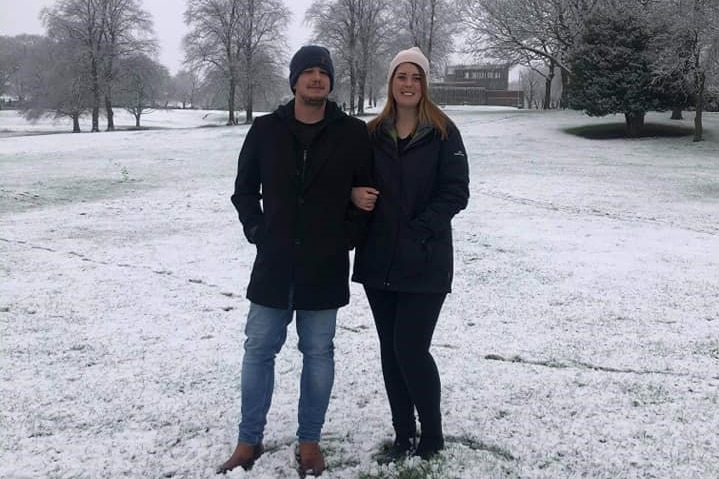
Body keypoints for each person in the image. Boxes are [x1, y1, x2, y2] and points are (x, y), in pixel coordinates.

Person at [217, 45, 372, 476]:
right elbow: (244, 191)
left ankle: (310, 442)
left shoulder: (351, 134)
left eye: (324, 72)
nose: (317, 78)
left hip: (325, 264)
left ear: (331, 81)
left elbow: (367, 193)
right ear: (294, 80)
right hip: (274, 264)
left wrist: (347, 237)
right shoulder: (266, 130)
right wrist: (257, 232)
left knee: (318, 352)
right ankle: (249, 440)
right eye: (308, 72)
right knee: (258, 350)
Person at [351, 46, 470, 461]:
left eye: (416, 77)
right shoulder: (372, 133)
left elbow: (456, 192)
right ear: (391, 83)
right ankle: (403, 435)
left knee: (410, 348)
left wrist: (420, 230)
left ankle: (432, 436)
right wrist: (353, 193)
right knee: (390, 349)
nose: (408, 84)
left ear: (425, 83)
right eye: (401, 76)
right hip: (378, 259)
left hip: (425, 258)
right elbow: (352, 178)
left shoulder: (442, 131)